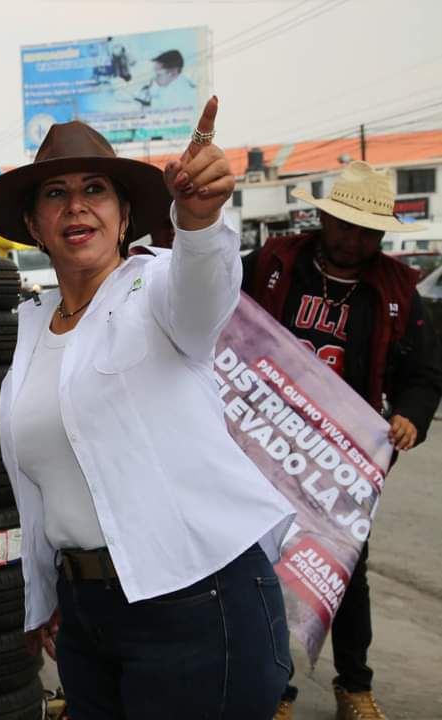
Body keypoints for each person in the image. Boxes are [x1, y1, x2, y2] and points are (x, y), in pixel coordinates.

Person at [0, 98, 296, 719]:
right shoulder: (32, 329)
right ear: (35, 225)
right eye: (54, 193)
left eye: (95, 189)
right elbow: (37, 485)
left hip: (198, 601)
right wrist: (40, 598)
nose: (76, 205)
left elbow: (204, 290)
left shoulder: (156, 289)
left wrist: (199, 220)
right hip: (88, 618)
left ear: (124, 216)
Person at [242, 162, 442, 720]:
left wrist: (410, 417)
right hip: (259, 444)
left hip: (340, 460)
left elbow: (424, 375)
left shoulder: (399, 289)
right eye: (346, 226)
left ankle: (354, 687)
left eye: (369, 231)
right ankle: (273, 691)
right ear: (324, 218)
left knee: (343, 572)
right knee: (261, 570)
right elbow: (213, 309)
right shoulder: (273, 264)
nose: (356, 239)